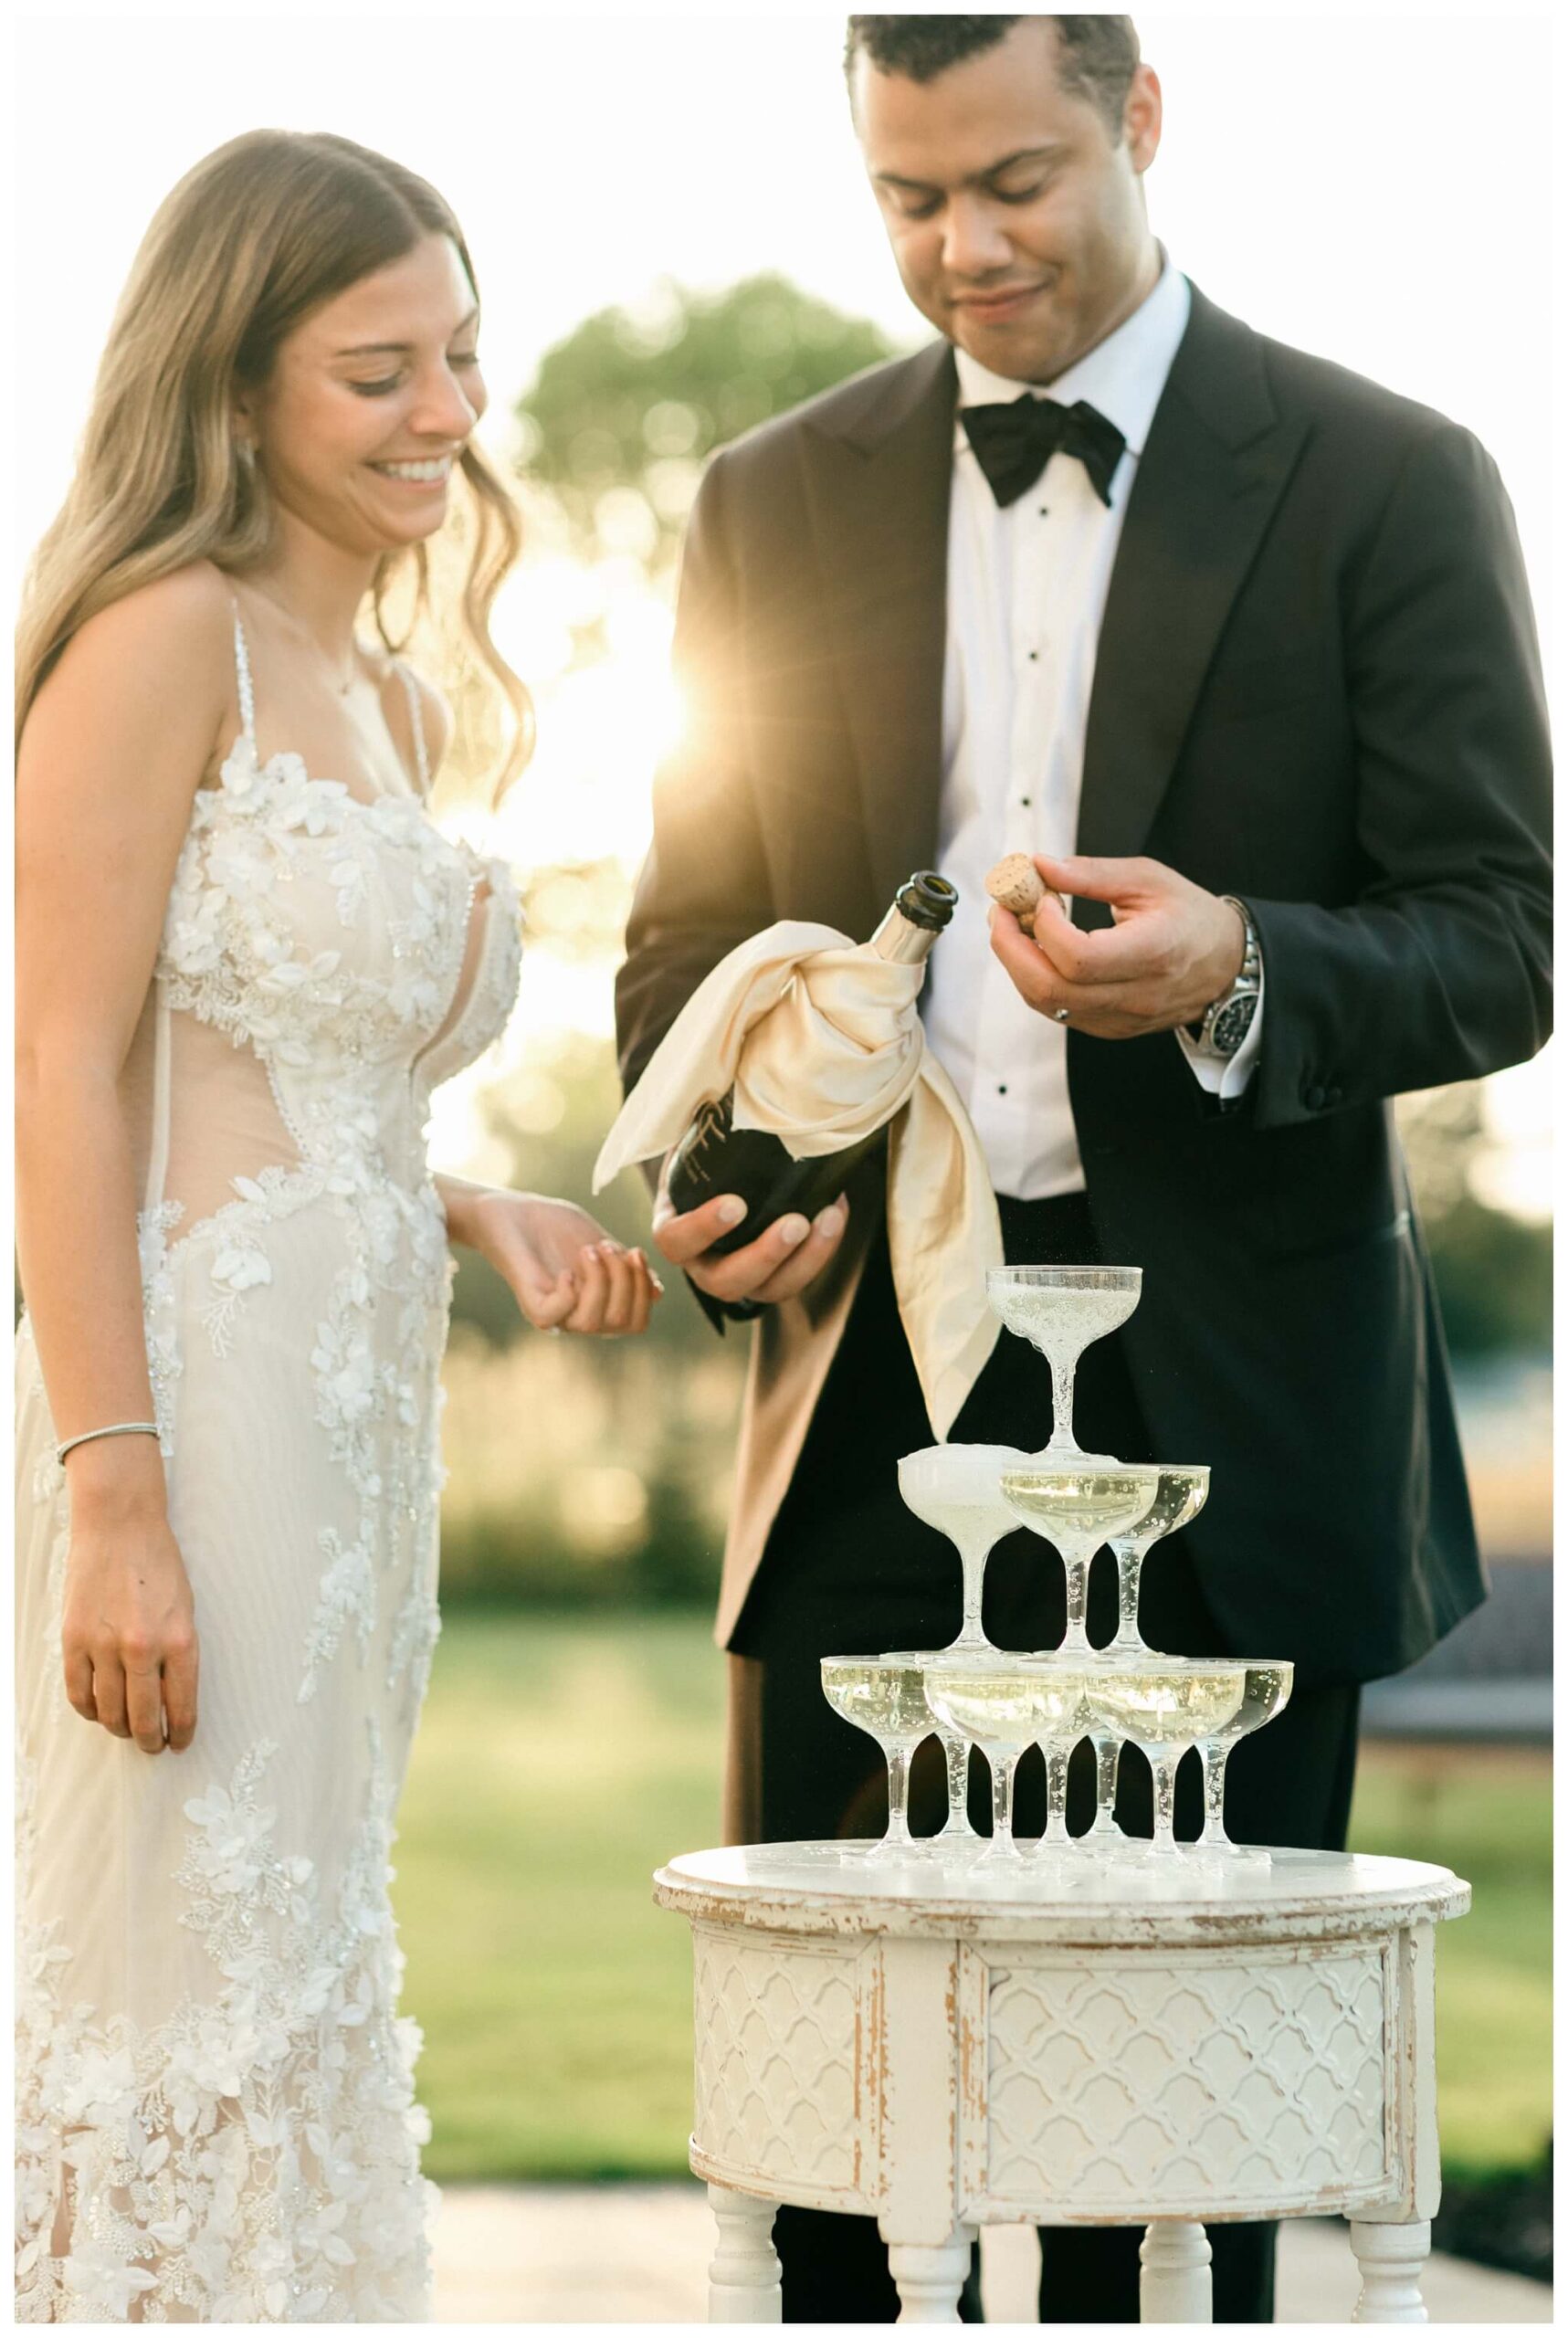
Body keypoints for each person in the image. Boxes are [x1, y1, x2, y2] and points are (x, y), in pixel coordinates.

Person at [616, 15, 1552, 2324]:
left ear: (1142, 119)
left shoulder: (1387, 473)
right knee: (840, 2114)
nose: (962, 248)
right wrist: (727, 1176)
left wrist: (1246, 966)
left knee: (1193, 2147)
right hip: (871, 1398)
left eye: (1013, 183)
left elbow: (1502, 935)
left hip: (1236, 1395)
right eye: (906, 198)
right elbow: (678, 944)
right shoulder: (768, 498)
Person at [14, 130, 661, 2322]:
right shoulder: (157, 631)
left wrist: (464, 1198)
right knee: (165, 1990)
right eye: (378, 369)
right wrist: (115, 1486)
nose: (450, 417)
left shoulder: (386, 689)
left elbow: (284, 1079)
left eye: (462, 358)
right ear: (235, 385)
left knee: (296, 1951)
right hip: (193, 1414)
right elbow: (68, 1067)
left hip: (363, 1429)